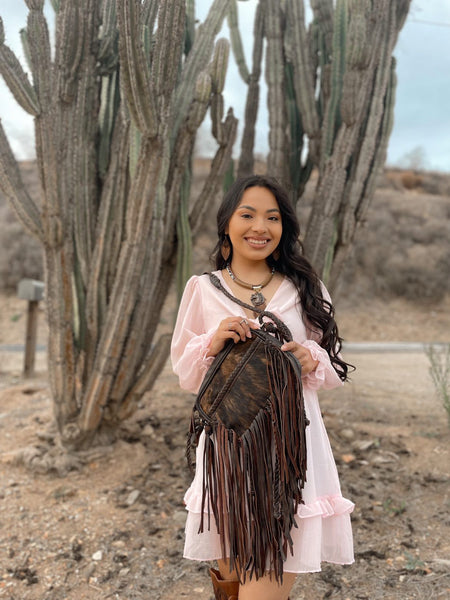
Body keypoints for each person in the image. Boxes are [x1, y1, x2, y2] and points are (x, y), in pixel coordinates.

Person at [171, 175, 354, 600]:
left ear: (284, 227)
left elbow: (332, 367)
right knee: (231, 587)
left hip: (291, 457)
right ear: (227, 224)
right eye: (248, 215)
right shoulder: (202, 288)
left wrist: (311, 358)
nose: (260, 227)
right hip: (228, 456)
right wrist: (213, 342)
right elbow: (186, 373)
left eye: (273, 217)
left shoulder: (304, 288)